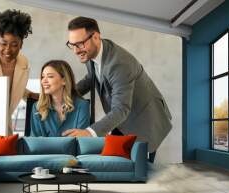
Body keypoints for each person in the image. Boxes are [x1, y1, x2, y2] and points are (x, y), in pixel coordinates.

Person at [62, 17, 172, 161]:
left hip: (145, 121)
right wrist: (68, 95)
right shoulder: (93, 53)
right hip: (123, 120)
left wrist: (89, 132)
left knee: (136, 169)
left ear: (95, 37)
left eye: (80, 44)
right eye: (72, 45)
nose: (76, 51)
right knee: (113, 162)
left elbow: (121, 110)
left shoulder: (119, 64)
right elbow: (91, 77)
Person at [30, 60, 90, 137]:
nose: (43, 81)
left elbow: (81, 142)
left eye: (50, 76)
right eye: (42, 77)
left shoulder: (82, 106)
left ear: (64, 80)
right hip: (45, 149)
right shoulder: (37, 108)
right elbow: (35, 143)